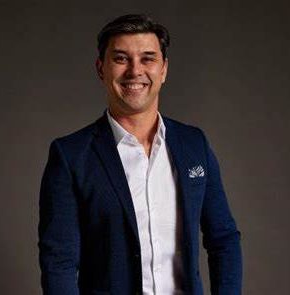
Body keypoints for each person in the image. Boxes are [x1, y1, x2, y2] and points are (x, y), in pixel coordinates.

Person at [38, 14, 242, 295]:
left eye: (148, 58)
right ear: (101, 68)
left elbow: (224, 240)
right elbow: (58, 263)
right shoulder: (70, 156)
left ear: (164, 69)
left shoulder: (194, 144)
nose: (135, 71)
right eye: (121, 58)